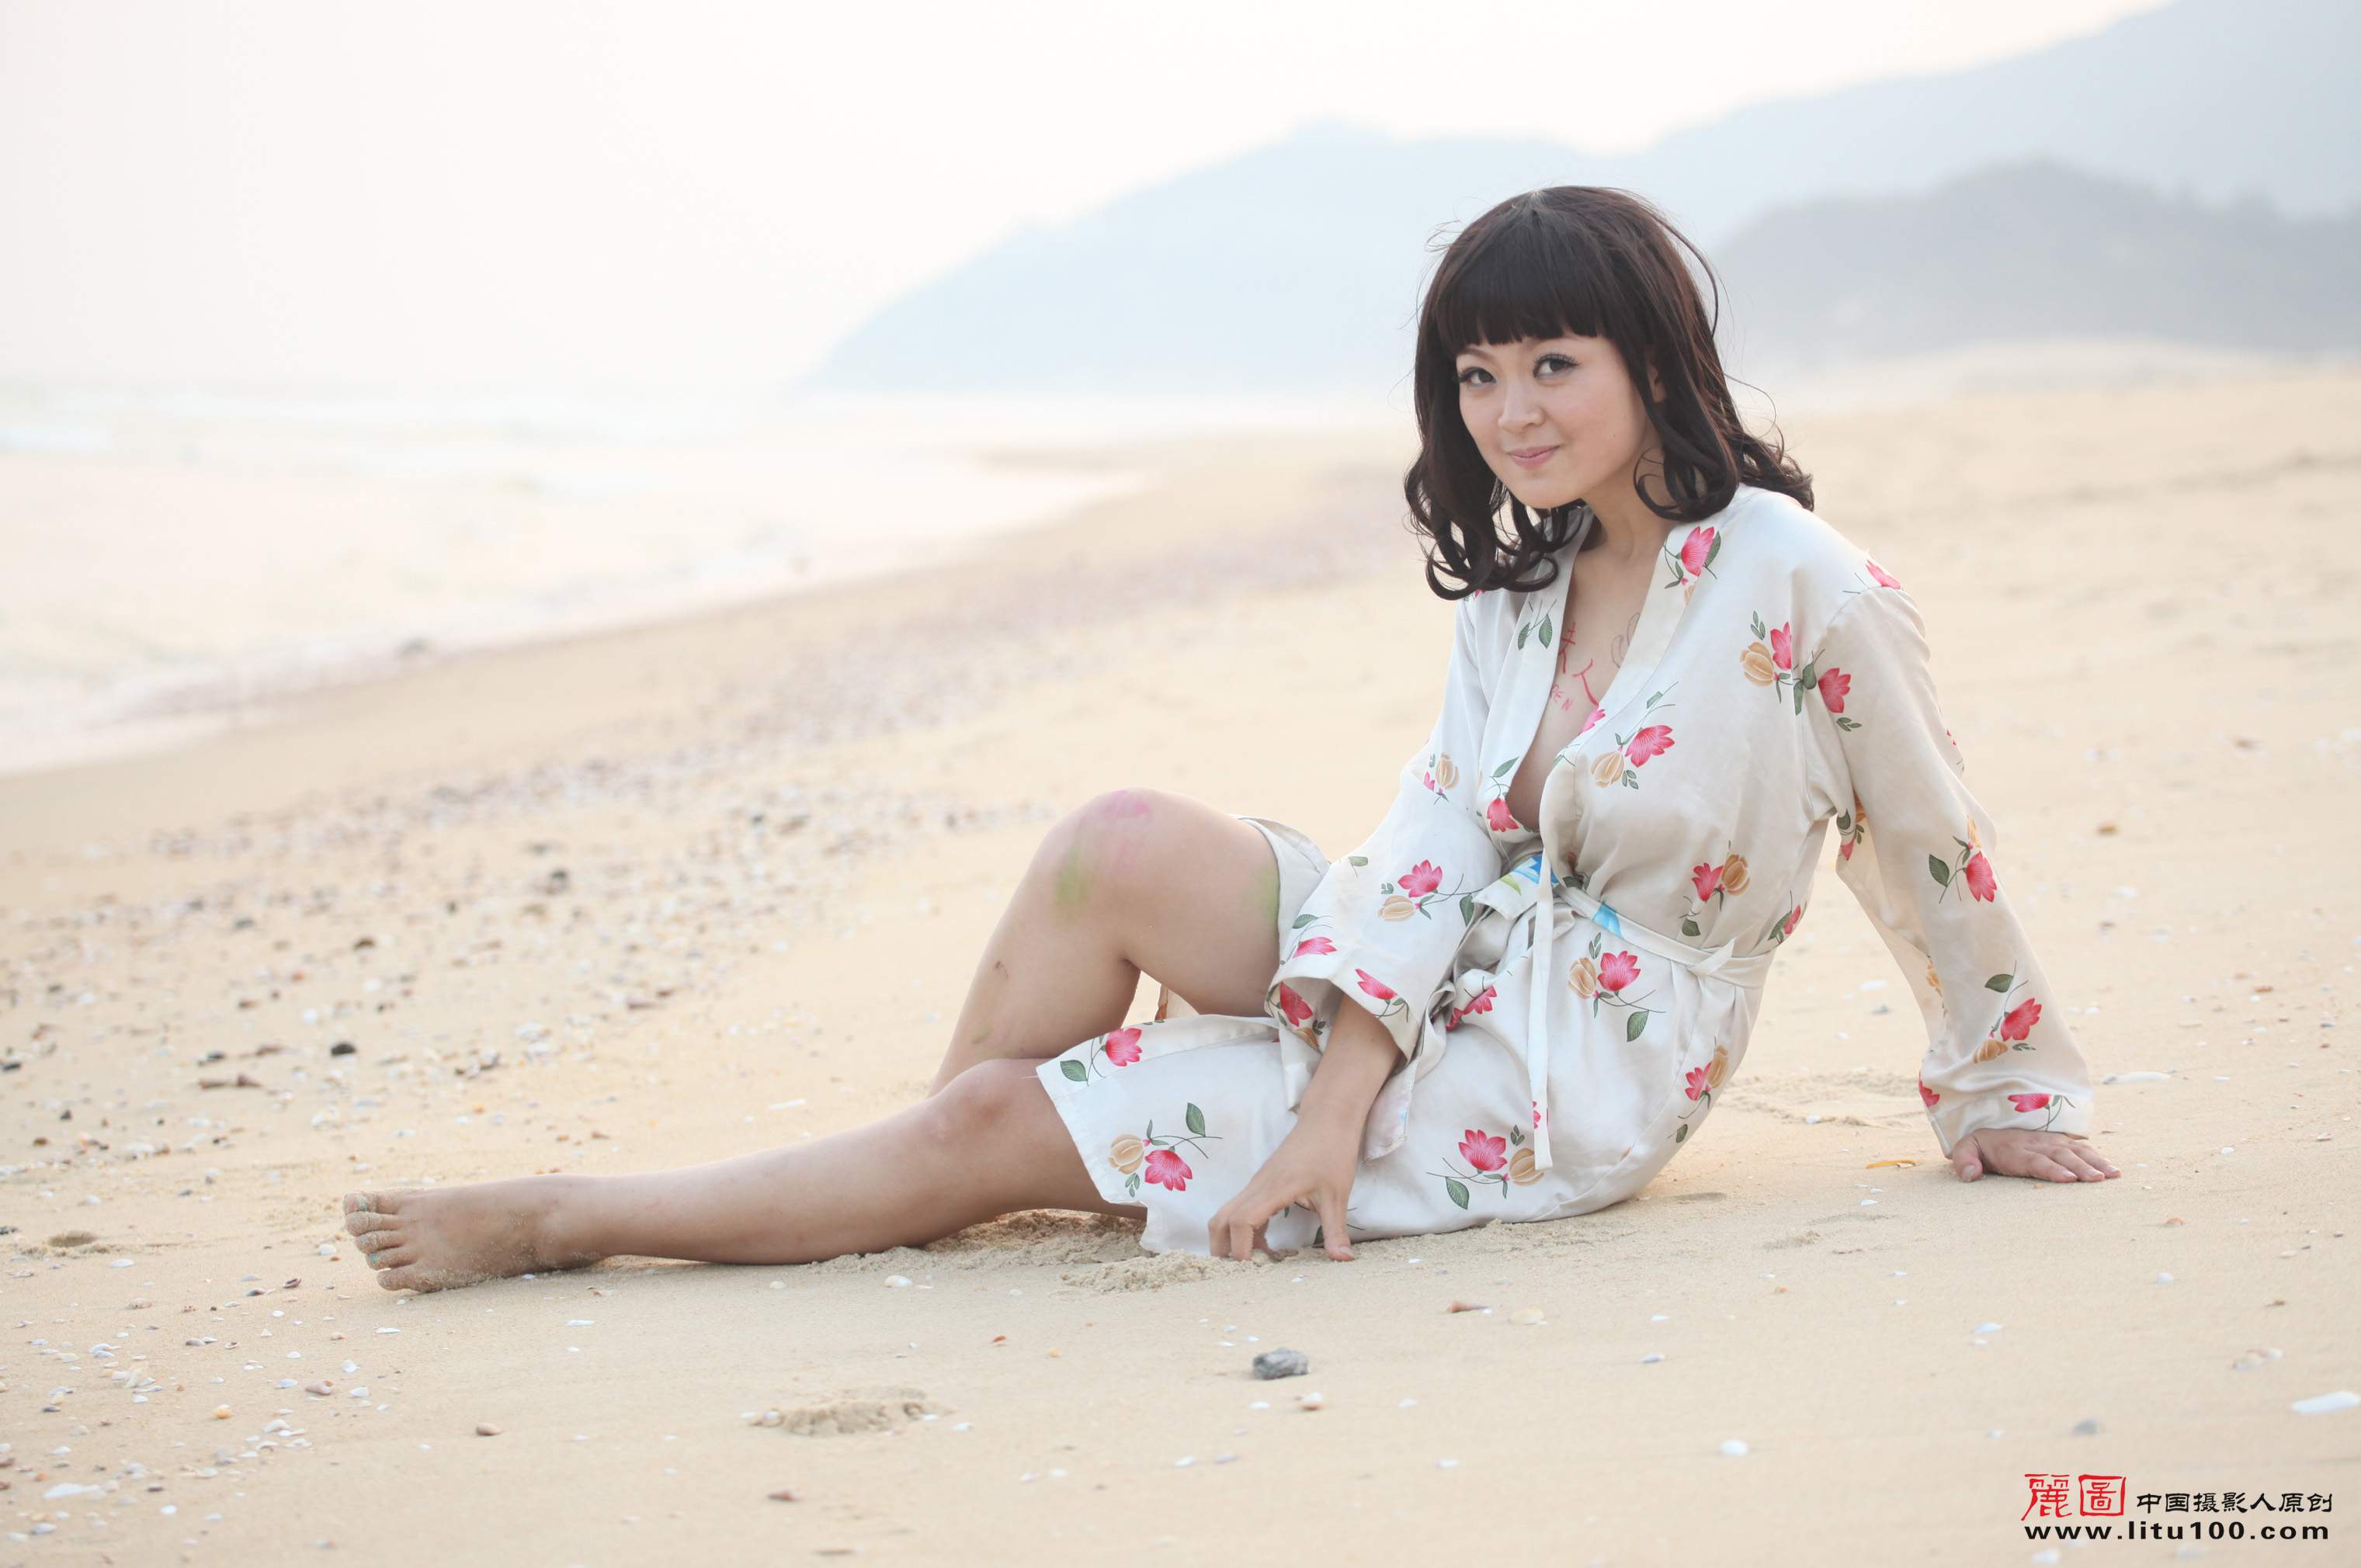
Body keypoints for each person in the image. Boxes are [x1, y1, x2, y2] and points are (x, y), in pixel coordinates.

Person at [340, 186, 2116, 1292]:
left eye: (1553, 364)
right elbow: (1434, 838)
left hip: (1573, 1065)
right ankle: (923, 1162)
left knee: (998, 1117)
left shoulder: (1798, 579)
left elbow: (1927, 833)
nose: (1510, 413)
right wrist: (1338, 1085)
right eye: (1479, 374)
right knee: (1114, 842)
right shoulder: (1528, 583)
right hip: (1455, 963)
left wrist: (2007, 1087)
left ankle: (579, 1214)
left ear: (1653, 357)